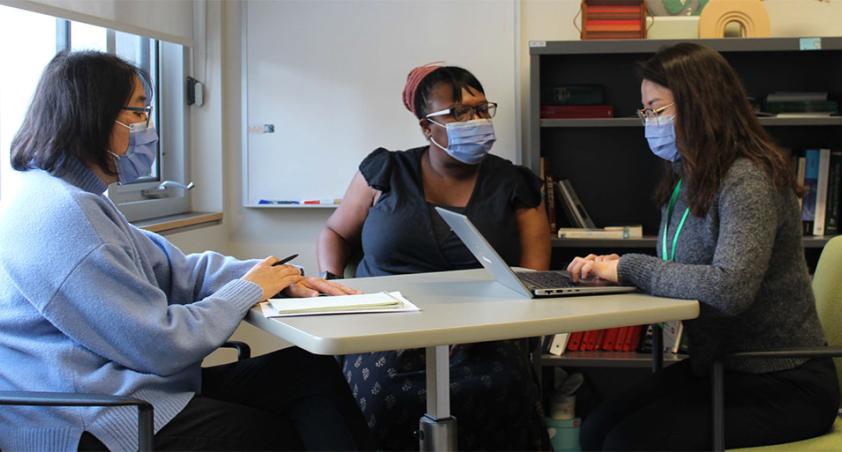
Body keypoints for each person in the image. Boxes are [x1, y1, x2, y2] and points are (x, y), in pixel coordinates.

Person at [0, 51, 372, 451]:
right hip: (96, 417)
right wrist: (249, 289)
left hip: (127, 391)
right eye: (139, 113)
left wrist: (276, 277)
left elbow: (175, 269)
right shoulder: (65, 216)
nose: (148, 128)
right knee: (277, 434)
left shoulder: (76, 196)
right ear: (95, 116)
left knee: (308, 371)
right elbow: (160, 344)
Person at [567, 43, 840, 450]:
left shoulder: (749, 177)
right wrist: (612, 265)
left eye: (656, 109)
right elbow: (680, 267)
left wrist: (628, 268)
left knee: (627, 442)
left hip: (783, 381)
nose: (649, 122)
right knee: (595, 427)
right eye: (645, 111)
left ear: (699, 105)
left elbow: (730, 289)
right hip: (719, 370)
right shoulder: (687, 176)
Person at [316, 63, 551, 450]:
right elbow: (336, 232)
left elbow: (534, 274)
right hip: (383, 327)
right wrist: (330, 280)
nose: (475, 120)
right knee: (382, 399)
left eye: (481, 109)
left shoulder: (515, 183)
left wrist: (493, 327)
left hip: (485, 332)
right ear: (426, 127)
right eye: (457, 113)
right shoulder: (385, 170)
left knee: (499, 393)